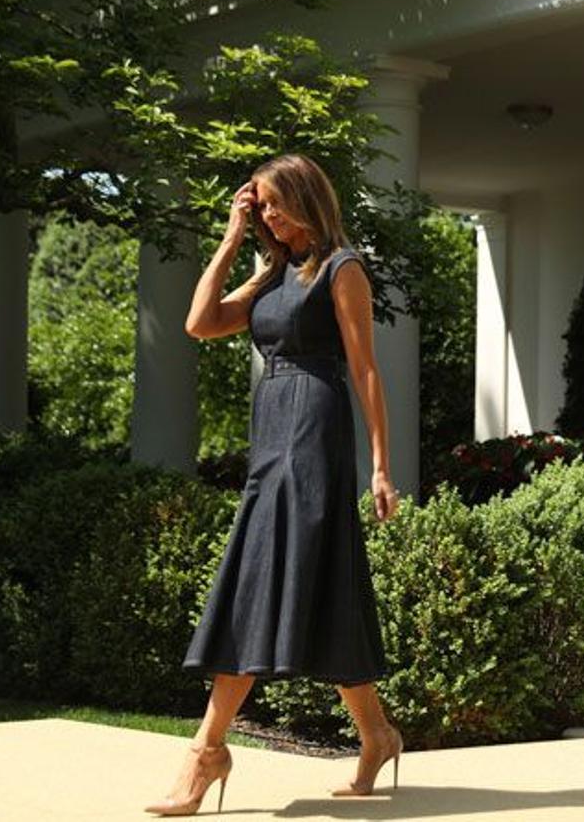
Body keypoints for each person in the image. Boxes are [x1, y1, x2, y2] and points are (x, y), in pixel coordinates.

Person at [144, 154, 403, 817]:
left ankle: (207, 749)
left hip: (314, 430)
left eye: (272, 203)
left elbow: (366, 369)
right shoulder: (273, 272)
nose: (265, 214)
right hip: (272, 436)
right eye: (257, 206)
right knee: (328, 586)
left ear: (304, 198)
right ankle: (376, 733)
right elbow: (199, 322)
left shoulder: (342, 269)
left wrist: (379, 463)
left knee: (257, 578)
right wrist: (231, 240)